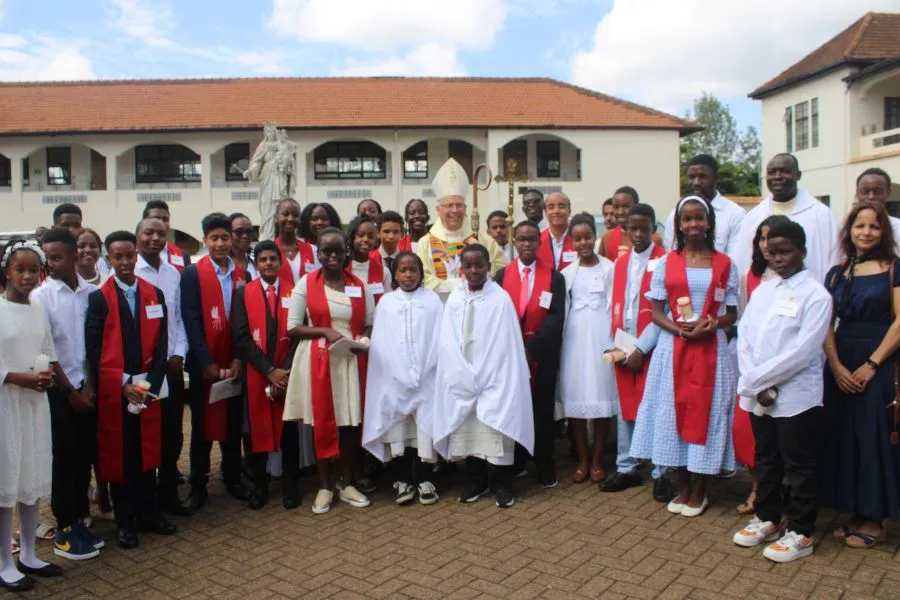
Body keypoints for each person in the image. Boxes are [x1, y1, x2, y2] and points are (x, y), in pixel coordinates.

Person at [630, 196, 739, 518]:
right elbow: (656, 311)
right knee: (671, 416)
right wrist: (678, 330)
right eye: (686, 219)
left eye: (699, 219)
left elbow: (732, 312)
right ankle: (683, 486)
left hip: (711, 349)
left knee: (708, 414)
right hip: (673, 347)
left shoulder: (724, 263)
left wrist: (712, 324)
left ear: (709, 223)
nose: (693, 225)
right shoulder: (666, 262)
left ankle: (701, 489)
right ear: (678, 224)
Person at [732, 219, 831, 563]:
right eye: (772, 252)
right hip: (759, 391)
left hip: (795, 395)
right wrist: (755, 381)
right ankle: (768, 517)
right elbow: (745, 336)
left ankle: (802, 531)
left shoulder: (816, 295)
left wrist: (759, 381)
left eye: (785, 251)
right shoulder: (764, 290)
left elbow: (804, 351)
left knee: (799, 464)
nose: (778, 258)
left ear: (802, 251)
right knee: (767, 457)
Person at [86, 230, 176, 549]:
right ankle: (126, 523)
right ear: (108, 259)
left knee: (148, 453)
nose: (124, 262)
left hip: (148, 388)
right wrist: (124, 385)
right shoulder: (99, 298)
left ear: (136, 255)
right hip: (118, 390)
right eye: (117, 256)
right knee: (122, 456)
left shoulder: (154, 294)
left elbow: (162, 342)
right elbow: (94, 351)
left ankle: (149, 514)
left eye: (129, 255)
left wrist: (148, 384)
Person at [822, 201, 900, 550]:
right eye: (859, 226)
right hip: (840, 359)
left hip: (879, 361)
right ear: (849, 231)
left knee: (874, 438)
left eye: (874, 226)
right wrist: (836, 366)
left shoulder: (894, 269)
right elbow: (825, 324)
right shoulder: (837, 273)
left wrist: (871, 365)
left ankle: (875, 517)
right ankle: (853, 509)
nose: (866, 232)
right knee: (844, 436)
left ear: (884, 231)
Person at [432, 244, 533, 508]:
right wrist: (462, 372)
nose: (474, 271)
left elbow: (506, 344)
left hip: (494, 378)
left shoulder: (500, 299)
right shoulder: (455, 298)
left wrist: (485, 374)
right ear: (460, 268)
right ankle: (477, 481)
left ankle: (501, 484)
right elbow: (447, 340)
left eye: (479, 265)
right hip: (463, 377)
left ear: (489, 267)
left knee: (496, 430)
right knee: (470, 433)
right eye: (468, 266)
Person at [284, 227, 374, 515]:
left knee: (349, 423)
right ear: (318, 253)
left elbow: (369, 322)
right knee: (322, 421)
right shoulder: (306, 284)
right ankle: (324, 485)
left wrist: (362, 340)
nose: (332, 256)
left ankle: (347, 483)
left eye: (338, 250)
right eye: (326, 251)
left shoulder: (358, 285)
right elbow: (293, 326)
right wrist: (325, 330)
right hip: (317, 359)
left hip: (349, 359)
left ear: (346, 251)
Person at [31, 229, 103, 560]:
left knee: (84, 457)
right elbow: (47, 351)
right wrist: (70, 391)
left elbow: (95, 345)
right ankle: (64, 528)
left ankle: (79, 520)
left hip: (89, 389)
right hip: (61, 393)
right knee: (63, 459)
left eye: (57, 257)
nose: (51, 263)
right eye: (48, 258)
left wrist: (90, 387)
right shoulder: (42, 296)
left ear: (75, 257)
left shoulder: (92, 293)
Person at [0, 239, 61, 591]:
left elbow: (47, 351)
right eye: (19, 269)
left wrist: (47, 374)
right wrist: (18, 377)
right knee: (7, 479)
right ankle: (4, 561)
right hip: (7, 403)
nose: (26, 276)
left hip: (35, 404)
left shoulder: (38, 308)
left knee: (31, 475)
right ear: (7, 271)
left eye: (33, 270)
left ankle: (28, 553)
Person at [600, 204, 671, 501]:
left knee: (654, 407)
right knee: (625, 407)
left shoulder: (665, 261)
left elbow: (664, 310)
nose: (639, 234)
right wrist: (617, 344)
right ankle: (626, 466)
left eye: (645, 228)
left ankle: (661, 472)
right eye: (633, 228)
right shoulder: (621, 263)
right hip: (624, 342)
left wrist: (641, 347)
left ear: (654, 228)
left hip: (650, 344)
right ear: (625, 230)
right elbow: (614, 304)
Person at [180, 214, 249, 511]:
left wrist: (238, 358)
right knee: (202, 426)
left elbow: (244, 321)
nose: (220, 244)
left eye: (225, 238)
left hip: (233, 359)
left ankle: (233, 477)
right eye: (214, 238)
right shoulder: (193, 274)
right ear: (205, 240)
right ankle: (198, 483)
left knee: (232, 423)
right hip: (204, 362)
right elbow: (191, 319)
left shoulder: (242, 274)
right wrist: (205, 360)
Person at [362, 252, 443, 505]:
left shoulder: (432, 302)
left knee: (423, 430)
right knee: (398, 428)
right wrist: (399, 372)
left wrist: (423, 371)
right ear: (394, 275)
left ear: (421, 273)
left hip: (426, 379)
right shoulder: (386, 302)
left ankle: (424, 478)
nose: (408, 275)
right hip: (394, 380)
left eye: (413, 270)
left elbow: (439, 339)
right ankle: (401, 479)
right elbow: (382, 342)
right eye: (402, 270)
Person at [494, 221, 566, 488]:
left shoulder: (555, 278)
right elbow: (497, 317)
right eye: (521, 239)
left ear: (539, 242)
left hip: (542, 356)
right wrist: (517, 350)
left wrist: (532, 349)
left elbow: (556, 319)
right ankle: (518, 461)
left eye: (532, 239)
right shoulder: (502, 276)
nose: (526, 244)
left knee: (541, 410)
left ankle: (545, 464)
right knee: (514, 409)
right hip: (511, 356)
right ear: (514, 243)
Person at [231, 241, 301, 510]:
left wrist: (285, 370)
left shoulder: (295, 292)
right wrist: (269, 371)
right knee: (254, 432)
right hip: (258, 373)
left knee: (289, 432)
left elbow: (298, 335)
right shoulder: (243, 293)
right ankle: (260, 486)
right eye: (263, 259)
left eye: (273, 258)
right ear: (256, 263)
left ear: (280, 262)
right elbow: (241, 335)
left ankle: (290, 486)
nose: (269, 263)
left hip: (287, 371)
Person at [732, 215, 790, 515]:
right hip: (753, 367)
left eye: (775, 239)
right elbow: (743, 321)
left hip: (787, 367)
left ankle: (783, 491)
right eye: (763, 238)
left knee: (784, 434)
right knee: (749, 431)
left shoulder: (794, 278)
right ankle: (757, 488)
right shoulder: (748, 277)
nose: (768, 245)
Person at [133, 218, 190, 517]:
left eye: (160, 234)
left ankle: (168, 493)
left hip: (170, 366)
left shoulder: (173, 274)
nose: (155, 238)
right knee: (145, 433)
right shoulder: (130, 272)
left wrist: (179, 353)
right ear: (137, 236)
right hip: (142, 371)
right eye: (148, 233)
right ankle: (146, 501)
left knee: (172, 433)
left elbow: (179, 317)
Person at [559, 214, 617, 484]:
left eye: (588, 237)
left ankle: (597, 459)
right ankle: (582, 458)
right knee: (577, 397)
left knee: (602, 395)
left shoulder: (609, 268)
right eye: (578, 238)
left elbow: (614, 306)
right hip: (575, 339)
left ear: (596, 236)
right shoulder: (567, 273)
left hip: (602, 337)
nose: (584, 242)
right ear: (572, 241)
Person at [735, 154, 839, 282]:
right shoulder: (754, 216)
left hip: (812, 295)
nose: (777, 177)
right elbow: (743, 260)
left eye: (785, 171)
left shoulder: (821, 215)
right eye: (772, 172)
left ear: (798, 175)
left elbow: (835, 258)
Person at [416, 159, 505, 299]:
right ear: (438, 209)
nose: (455, 210)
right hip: (440, 305)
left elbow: (502, 271)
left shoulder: (483, 240)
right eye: (449, 205)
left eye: (459, 205)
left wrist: (484, 253)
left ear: (466, 208)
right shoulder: (425, 243)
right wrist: (460, 284)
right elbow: (423, 277)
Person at [663, 154, 746, 257]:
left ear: (716, 178)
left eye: (702, 177)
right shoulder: (675, 215)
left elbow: (735, 260)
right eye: (691, 177)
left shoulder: (735, 214)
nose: (696, 182)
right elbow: (671, 254)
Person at [598, 186, 663, 260]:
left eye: (626, 206)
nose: (620, 212)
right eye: (616, 207)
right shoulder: (607, 237)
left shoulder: (653, 238)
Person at [275, 199, 318, 288]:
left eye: (295, 215)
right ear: (276, 218)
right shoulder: (270, 250)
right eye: (285, 214)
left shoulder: (313, 250)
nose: (290, 219)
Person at [348, 215, 392, 304]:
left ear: (376, 241)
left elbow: (388, 303)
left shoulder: (384, 272)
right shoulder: (340, 269)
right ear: (352, 238)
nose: (366, 239)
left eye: (371, 236)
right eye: (361, 235)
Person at [856, 168, 899, 251]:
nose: (871, 197)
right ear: (857, 193)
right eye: (865, 191)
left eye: (878, 192)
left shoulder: (898, 229)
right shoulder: (844, 230)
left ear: (888, 193)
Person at [143, 200, 190, 273]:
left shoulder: (182, 255)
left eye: (165, 219)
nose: (161, 223)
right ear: (144, 222)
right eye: (156, 218)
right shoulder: (131, 253)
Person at [537, 192, 575, 271]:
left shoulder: (578, 239)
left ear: (569, 210)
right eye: (551, 207)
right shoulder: (537, 240)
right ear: (545, 212)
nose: (556, 211)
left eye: (561, 206)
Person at [229, 213, 257, 279]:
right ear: (228, 234)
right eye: (238, 231)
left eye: (248, 231)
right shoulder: (223, 264)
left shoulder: (256, 263)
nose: (245, 236)